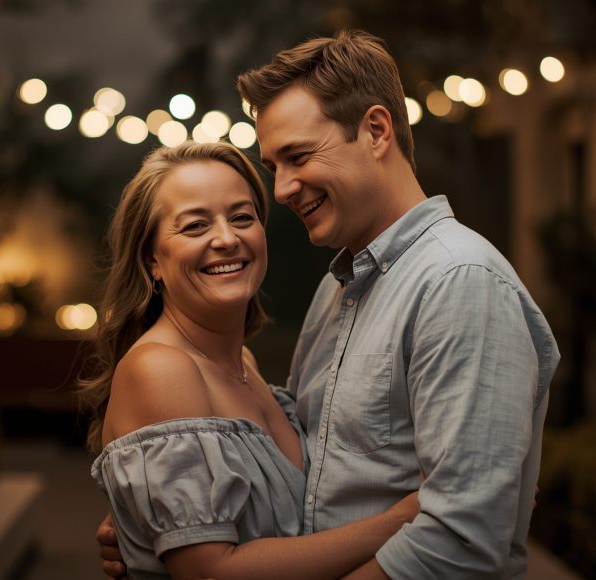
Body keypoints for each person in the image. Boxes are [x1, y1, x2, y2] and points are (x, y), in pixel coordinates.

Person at [98, 30, 560, 579]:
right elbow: (309, 484)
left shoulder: (458, 281)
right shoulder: (338, 289)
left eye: (298, 156)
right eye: (274, 168)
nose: (286, 188)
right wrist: (163, 518)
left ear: (375, 130)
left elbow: (459, 544)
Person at [83, 141, 420, 579]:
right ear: (152, 260)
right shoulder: (161, 369)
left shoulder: (245, 364)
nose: (226, 239)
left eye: (242, 217)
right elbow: (211, 573)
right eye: (194, 225)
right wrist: (410, 516)